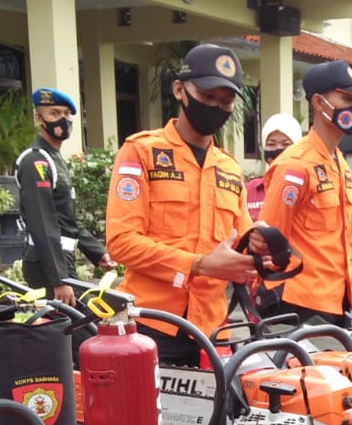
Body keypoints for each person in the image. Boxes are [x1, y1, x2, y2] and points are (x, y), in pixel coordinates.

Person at [105, 43, 260, 367]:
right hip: (150, 327)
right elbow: (121, 243)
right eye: (207, 98)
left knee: (216, 417)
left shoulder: (229, 167)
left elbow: (243, 242)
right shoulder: (141, 152)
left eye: (226, 101)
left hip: (213, 332)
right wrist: (198, 264)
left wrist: (261, 248)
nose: (217, 108)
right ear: (179, 90)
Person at [258, 60, 352, 325]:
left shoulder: (340, 163)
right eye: (346, 98)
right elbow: (270, 238)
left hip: (336, 301)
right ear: (318, 103)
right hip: (298, 304)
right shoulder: (295, 165)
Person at [17, 87, 113, 305]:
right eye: (54, 114)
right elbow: (42, 222)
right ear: (38, 118)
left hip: (60, 260)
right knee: (76, 331)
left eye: (67, 114)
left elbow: (65, 218)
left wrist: (97, 252)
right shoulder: (36, 162)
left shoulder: (54, 158)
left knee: (73, 331)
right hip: (47, 264)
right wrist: (59, 279)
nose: (63, 119)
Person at [245, 111, 302, 221]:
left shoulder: (308, 189)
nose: (278, 149)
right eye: (271, 144)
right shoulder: (250, 190)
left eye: (286, 144)